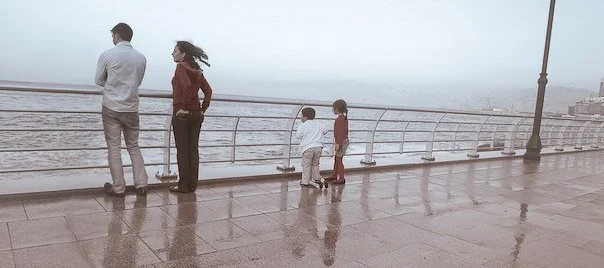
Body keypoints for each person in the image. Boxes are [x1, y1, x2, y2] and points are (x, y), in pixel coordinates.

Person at [95, 22, 148, 197]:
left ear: (117, 36)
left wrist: (113, 87)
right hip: (132, 107)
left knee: (114, 148)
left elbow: (99, 80)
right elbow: (137, 82)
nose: (112, 39)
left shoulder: (107, 55)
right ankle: (141, 184)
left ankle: (118, 187)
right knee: (134, 146)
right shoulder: (141, 57)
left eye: (113, 36)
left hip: (111, 106)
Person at [168, 41, 213, 193]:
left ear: (183, 54)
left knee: (182, 151)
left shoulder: (181, 68)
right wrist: (202, 109)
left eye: (175, 51)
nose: (172, 53)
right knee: (193, 150)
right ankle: (192, 186)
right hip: (196, 115)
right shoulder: (197, 70)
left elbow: (186, 87)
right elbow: (208, 91)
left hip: (183, 115)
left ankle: (183, 186)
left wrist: (183, 108)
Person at [295, 107, 328, 187]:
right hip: (318, 147)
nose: (301, 117)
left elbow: (298, 136)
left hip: (308, 148)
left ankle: (305, 181)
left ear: (305, 117)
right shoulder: (319, 124)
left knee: (306, 165)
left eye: (301, 116)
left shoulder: (303, 126)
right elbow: (325, 130)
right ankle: (318, 179)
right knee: (315, 164)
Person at [326, 99, 349, 184]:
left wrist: (338, 144)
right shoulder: (344, 118)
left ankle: (341, 178)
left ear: (336, 109)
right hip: (345, 141)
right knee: (337, 158)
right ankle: (334, 174)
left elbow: (340, 133)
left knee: (339, 160)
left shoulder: (339, 120)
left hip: (341, 142)